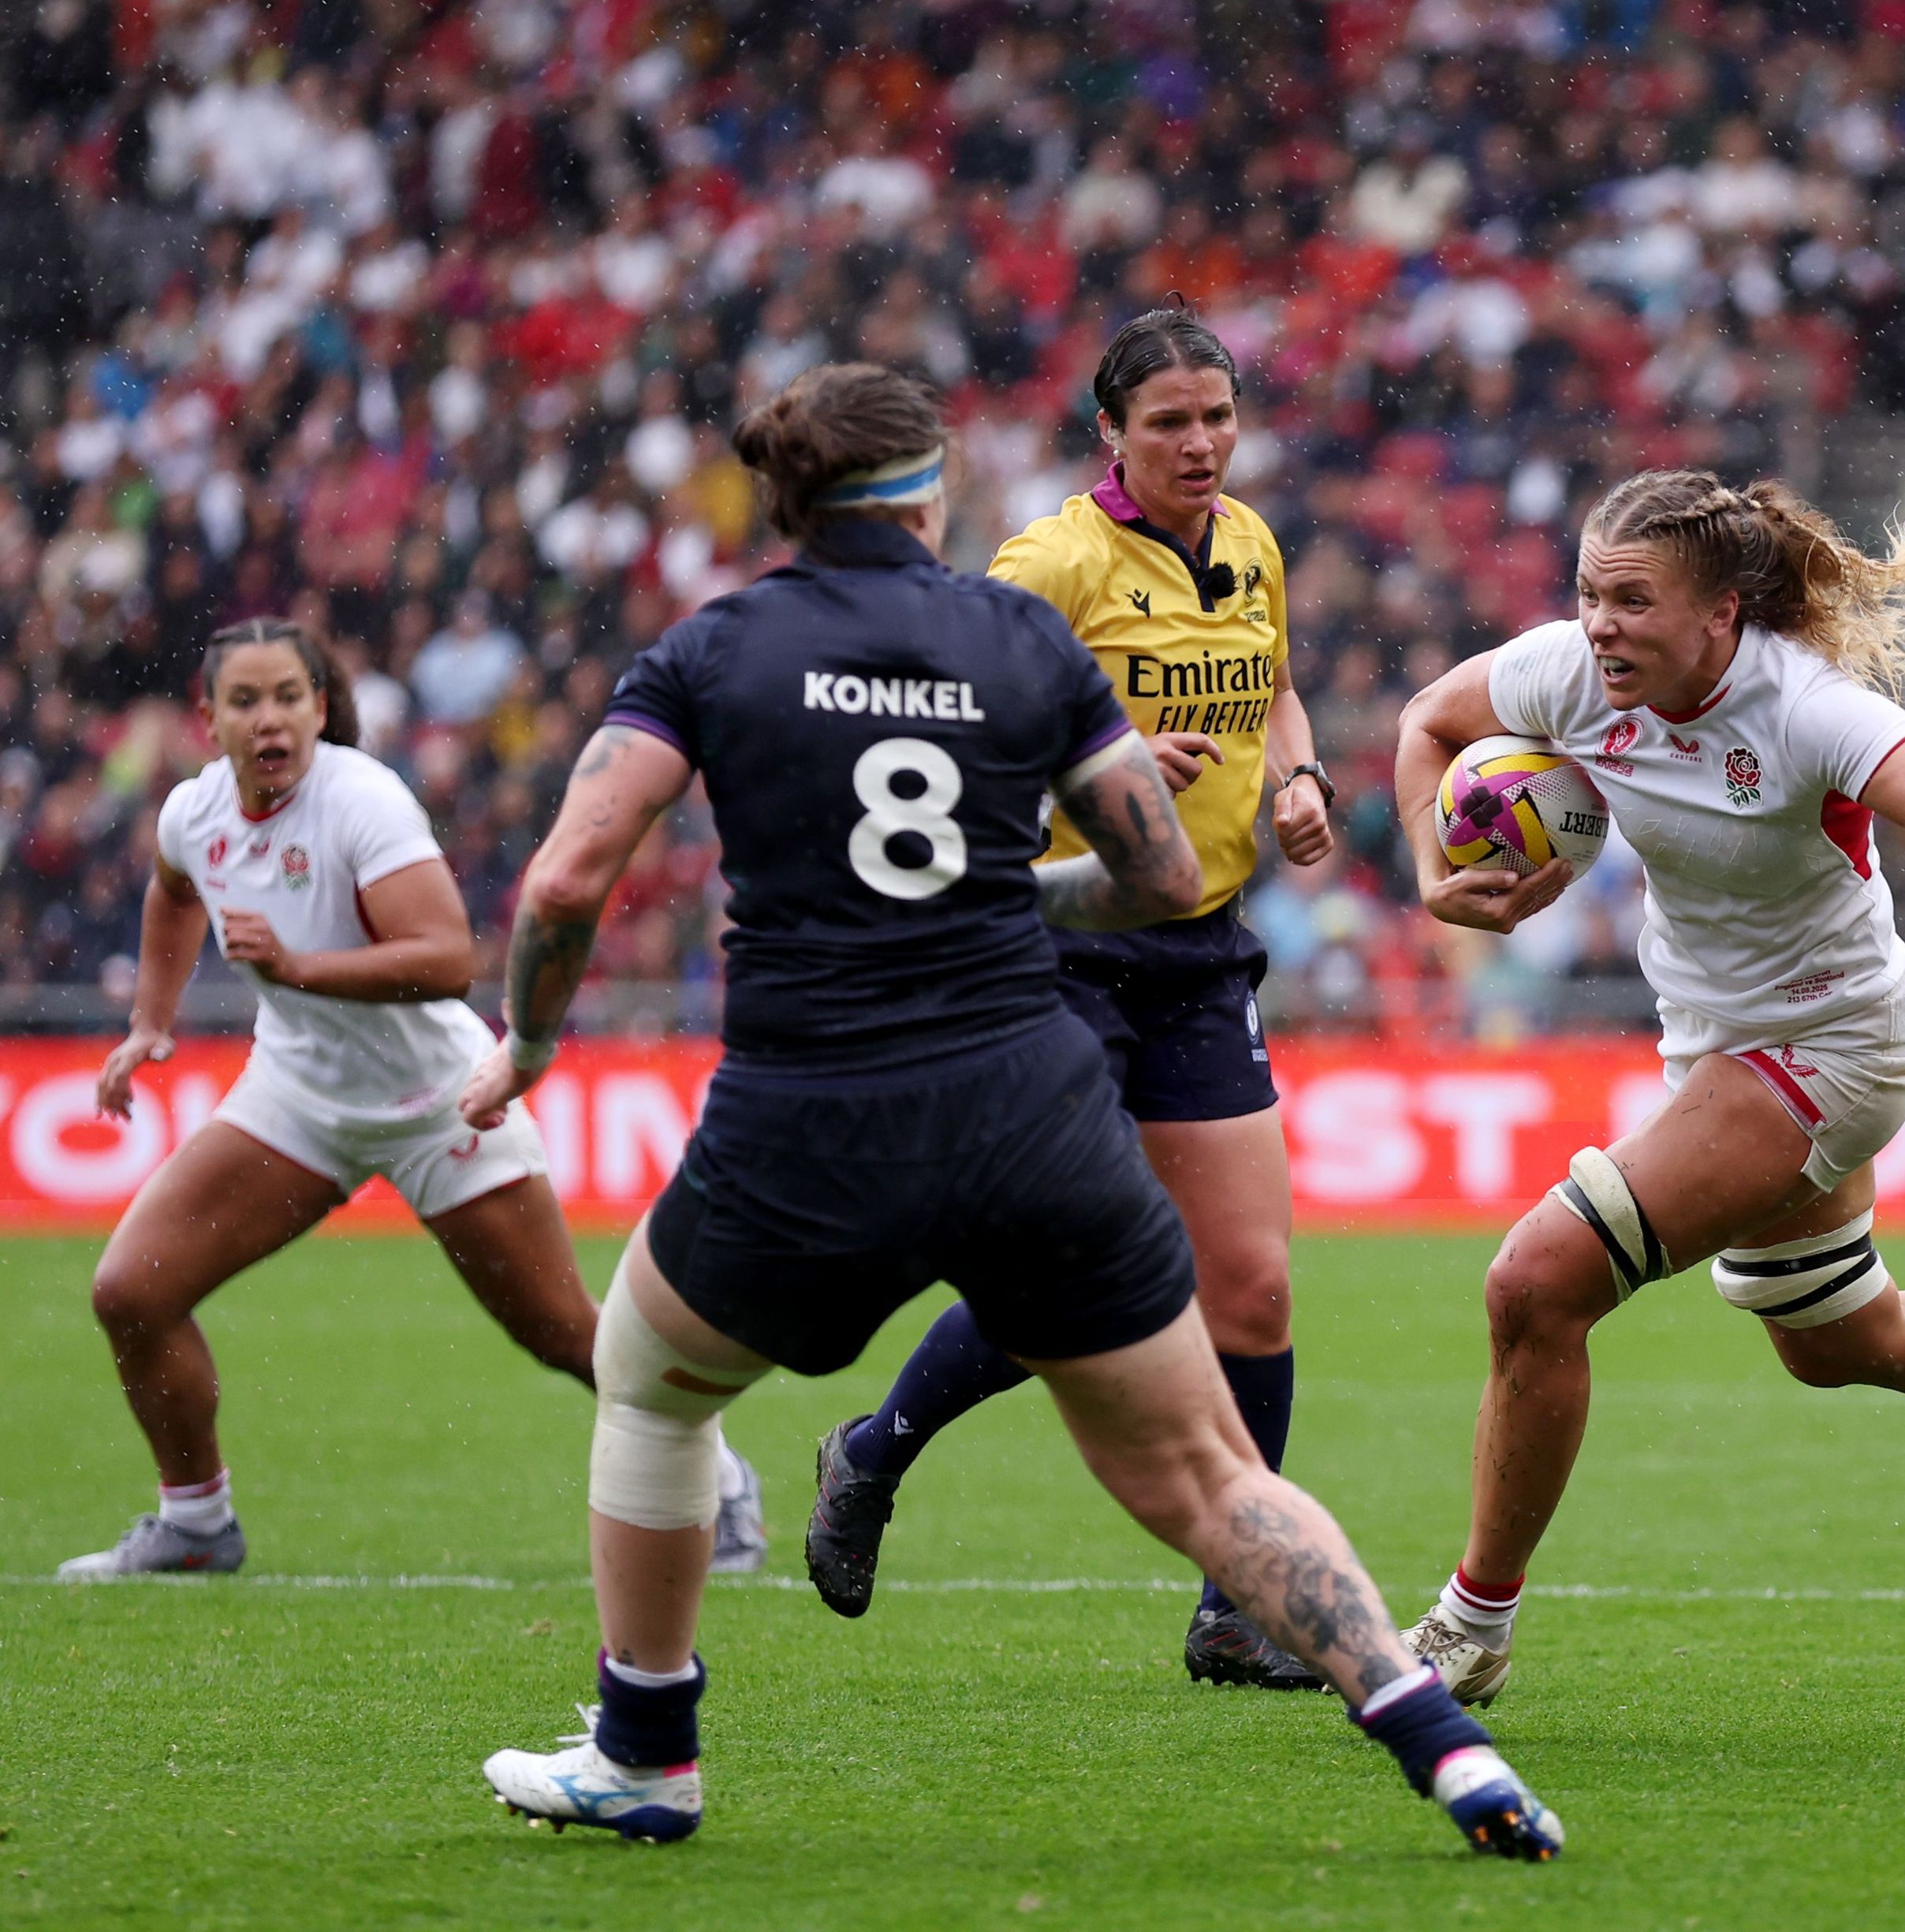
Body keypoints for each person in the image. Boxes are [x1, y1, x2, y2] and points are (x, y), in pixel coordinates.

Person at [466, 364, 1560, 1859]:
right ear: (932, 491)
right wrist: (990, 891)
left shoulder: (713, 647)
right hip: (1025, 1097)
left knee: (650, 1384)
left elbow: (568, 879)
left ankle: (649, 1748)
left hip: (811, 1112)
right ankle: (1452, 1753)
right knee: (1211, 1472)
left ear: (780, 499)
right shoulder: (1023, 629)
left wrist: (527, 1041)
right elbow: (1163, 874)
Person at [1386, 468, 1905, 1705]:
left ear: (1722, 614)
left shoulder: (1808, 710)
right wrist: (1430, 864)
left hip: (1830, 1044)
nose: (1599, 623)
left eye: (1631, 600)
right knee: (1839, 1340)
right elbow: (1427, 723)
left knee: (1535, 1281)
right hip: (1714, 1042)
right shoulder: (1568, 671)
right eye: (1586, 594)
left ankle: (1472, 1625)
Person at [803, 304, 1338, 1691]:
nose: (1202, 443)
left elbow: (1276, 688)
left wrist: (1299, 775)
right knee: (1066, 1265)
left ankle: (1239, 1603)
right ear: (1109, 431)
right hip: (1059, 946)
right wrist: (1085, 780)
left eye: (1217, 416)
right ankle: (873, 1452)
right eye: (1169, 421)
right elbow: (937, 747)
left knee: (1257, 1284)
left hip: (1204, 947)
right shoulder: (1047, 563)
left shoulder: (1252, 540)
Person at [62, 618, 760, 1582]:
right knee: (131, 1293)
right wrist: (149, 1020)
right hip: (298, 1097)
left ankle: (720, 1479)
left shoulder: (361, 801)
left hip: (440, 1099)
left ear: (318, 707)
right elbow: (172, 891)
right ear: (208, 718)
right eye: (247, 701)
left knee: (564, 1332)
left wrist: (300, 965)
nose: (272, 721)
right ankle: (195, 1524)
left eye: (290, 698)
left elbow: (447, 960)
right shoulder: (195, 812)